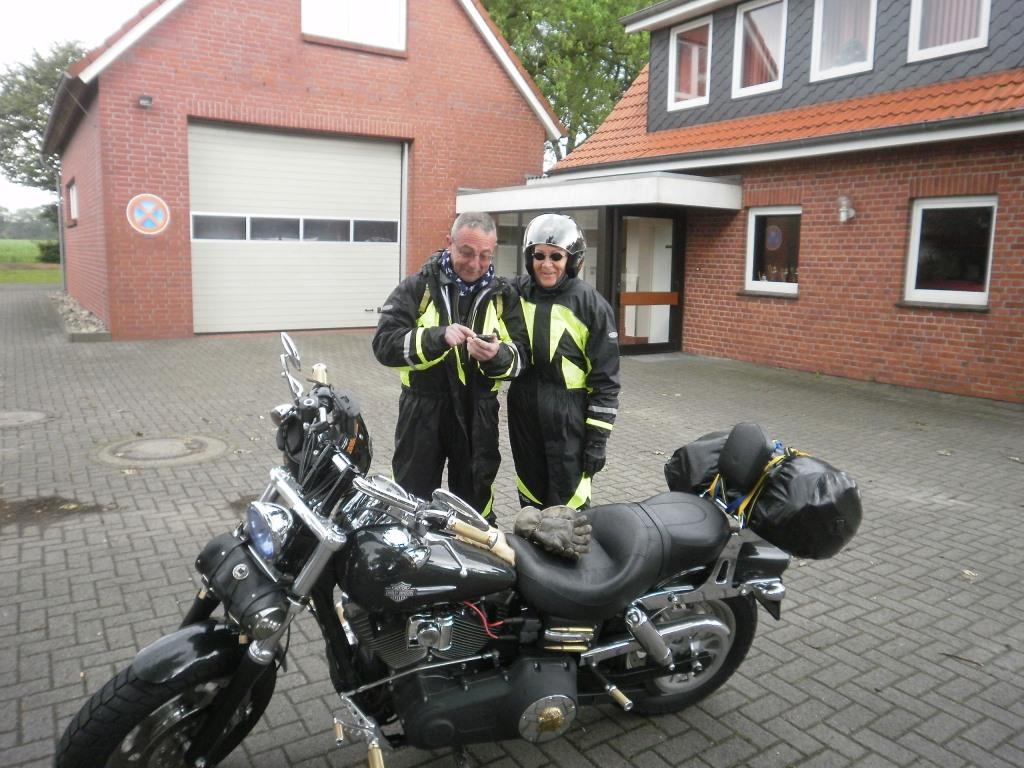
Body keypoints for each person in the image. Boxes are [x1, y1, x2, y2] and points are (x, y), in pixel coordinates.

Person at [372, 212, 528, 520]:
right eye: (466, 252)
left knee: (474, 506)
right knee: (410, 500)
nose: (475, 264)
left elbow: (522, 358)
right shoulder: (418, 287)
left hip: (478, 413)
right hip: (422, 411)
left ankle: (471, 550)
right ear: (449, 243)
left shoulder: (503, 295)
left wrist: (496, 355)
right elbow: (384, 344)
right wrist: (438, 337)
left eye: (485, 255)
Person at [508, 213, 620, 510]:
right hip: (523, 410)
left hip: (569, 416)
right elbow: (477, 282)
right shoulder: (516, 292)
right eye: (539, 255)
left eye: (556, 256)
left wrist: (597, 442)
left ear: (573, 259)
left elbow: (606, 382)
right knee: (530, 505)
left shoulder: (591, 305)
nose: (546, 264)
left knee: (567, 511)